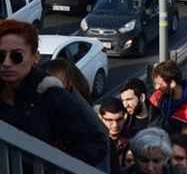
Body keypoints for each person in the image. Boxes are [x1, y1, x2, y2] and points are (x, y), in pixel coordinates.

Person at [0, 20, 107, 166]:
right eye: (1, 56)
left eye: (16, 56)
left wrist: (56, 167)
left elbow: (96, 143)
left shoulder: (51, 95)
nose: (6, 63)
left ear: (35, 57)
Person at [121, 128, 187, 174]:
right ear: (135, 158)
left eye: (156, 161)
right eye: (144, 160)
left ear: (165, 159)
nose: (150, 168)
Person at [149, 60, 187, 133]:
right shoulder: (156, 98)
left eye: (160, 84)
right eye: (156, 84)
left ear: (172, 84)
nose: (157, 88)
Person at [99, 97, 131, 174]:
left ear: (124, 116)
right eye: (110, 120)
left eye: (119, 119)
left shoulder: (133, 140)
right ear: (101, 117)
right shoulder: (95, 142)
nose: (115, 125)